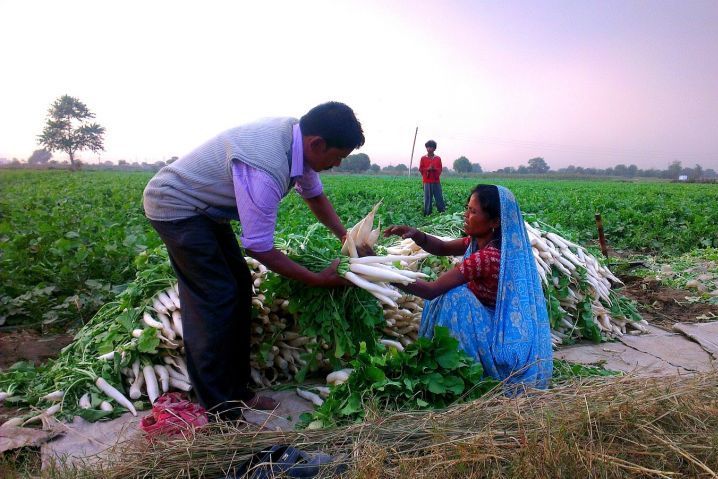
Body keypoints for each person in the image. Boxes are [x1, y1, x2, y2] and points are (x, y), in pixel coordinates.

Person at [143, 101, 364, 418]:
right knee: (215, 299)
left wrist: (348, 239)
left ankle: (238, 391)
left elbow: (314, 196)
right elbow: (259, 247)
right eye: (338, 157)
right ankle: (221, 409)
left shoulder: (296, 139)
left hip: (206, 213)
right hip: (175, 206)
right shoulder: (266, 167)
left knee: (239, 287)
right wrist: (318, 279)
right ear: (317, 144)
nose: (338, 164)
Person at [383, 184, 552, 389]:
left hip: (494, 336)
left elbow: (431, 290)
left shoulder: (487, 258)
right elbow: (442, 247)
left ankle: (462, 370)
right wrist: (416, 235)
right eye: (467, 208)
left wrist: (386, 272)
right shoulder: (480, 242)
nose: (466, 215)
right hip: (488, 322)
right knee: (452, 294)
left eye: (473, 212)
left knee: (455, 297)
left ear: (495, 221)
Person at [418, 139, 445, 215]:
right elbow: (421, 169)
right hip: (427, 181)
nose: (429, 149)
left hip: (436, 181)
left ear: (434, 149)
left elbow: (440, 169)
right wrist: (428, 169)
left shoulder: (438, 158)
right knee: (427, 199)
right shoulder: (423, 158)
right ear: (426, 148)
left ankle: (442, 212)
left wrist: (434, 169)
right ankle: (427, 214)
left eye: (431, 147)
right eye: (428, 147)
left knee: (439, 197)